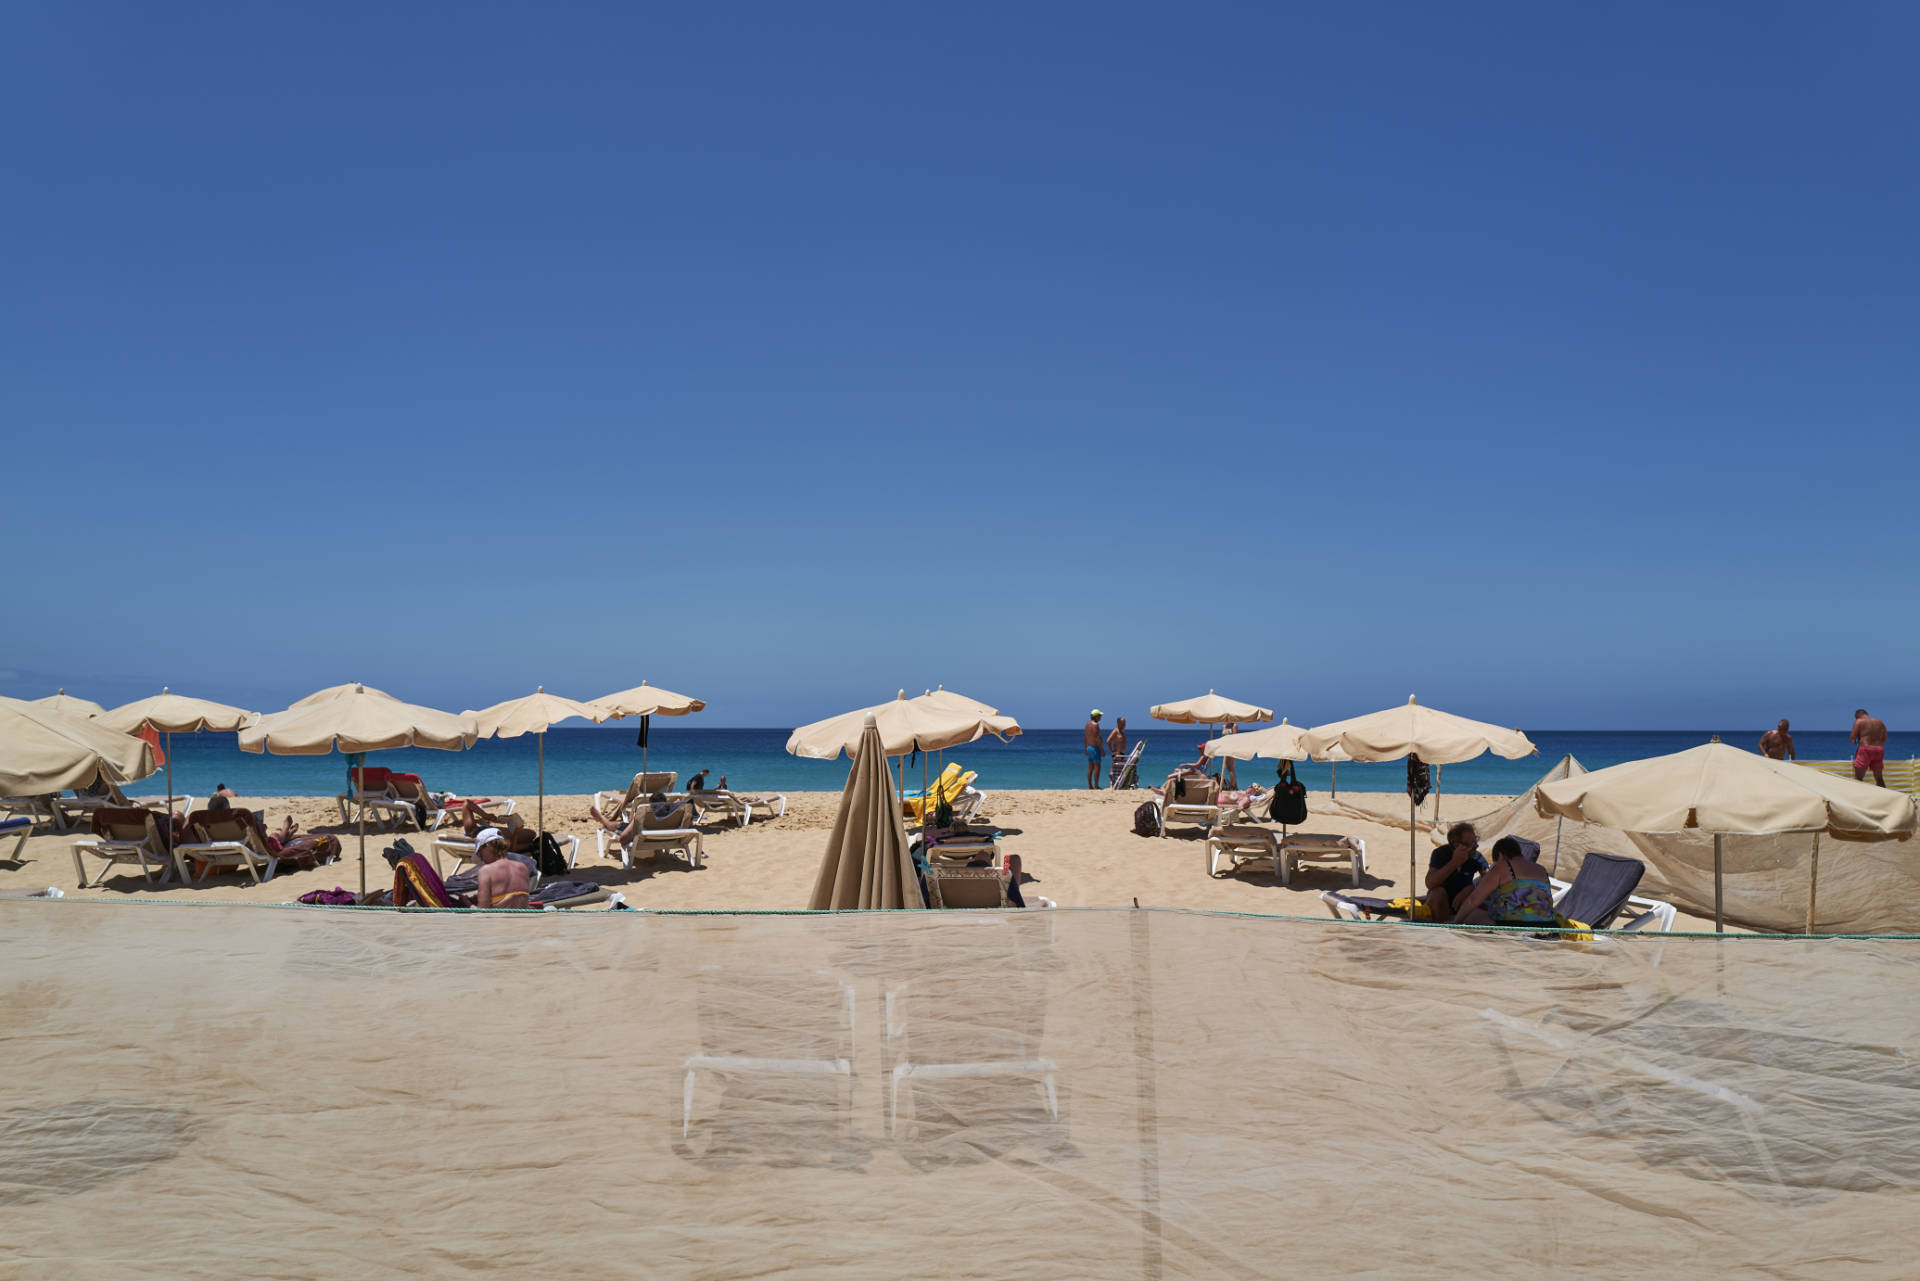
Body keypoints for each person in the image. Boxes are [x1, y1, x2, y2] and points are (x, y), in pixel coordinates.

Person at [1452, 836, 1556, 927]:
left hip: (1514, 926)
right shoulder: (1541, 869)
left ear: (1500, 855)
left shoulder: (1504, 866)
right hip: (1547, 925)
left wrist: (1455, 922)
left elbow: (1472, 900)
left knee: (1472, 914)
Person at [1424, 822, 1487, 921]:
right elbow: (1430, 883)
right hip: (1440, 903)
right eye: (1471, 844)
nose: (1476, 846)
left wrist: (1470, 889)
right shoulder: (1441, 853)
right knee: (1438, 892)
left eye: (1476, 841)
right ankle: (1441, 928)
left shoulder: (1476, 857)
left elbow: (1490, 881)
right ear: (1456, 845)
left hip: (1461, 904)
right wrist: (1454, 863)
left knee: (1480, 900)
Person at [588, 791, 684, 847]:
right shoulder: (673, 815)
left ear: (650, 806)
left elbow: (623, 839)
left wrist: (635, 818)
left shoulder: (645, 815)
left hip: (642, 835)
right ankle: (603, 819)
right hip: (663, 837)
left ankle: (601, 818)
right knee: (620, 824)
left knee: (614, 825)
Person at [473, 829, 533, 909]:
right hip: (522, 918)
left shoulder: (486, 871)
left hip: (500, 919)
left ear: (488, 846)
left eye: (479, 853)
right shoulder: (522, 867)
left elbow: (482, 911)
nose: (481, 858)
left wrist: (466, 903)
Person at [1852, 709, 1889, 785]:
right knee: (1879, 778)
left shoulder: (1859, 721)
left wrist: (1858, 740)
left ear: (1858, 716)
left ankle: (1858, 796)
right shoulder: (1880, 722)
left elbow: (1853, 738)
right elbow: (1885, 739)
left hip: (1865, 749)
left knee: (1858, 779)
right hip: (1879, 749)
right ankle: (1884, 796)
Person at [1084, 710, 1104, 790]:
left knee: (1090, 768)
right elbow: (1097, 738)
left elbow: (1086, 737)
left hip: (1089, 747)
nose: (1100, 717)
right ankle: (1096, 786)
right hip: (1095, 748)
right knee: (1097, 767)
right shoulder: (1095, 725)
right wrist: (1102, 749)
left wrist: (1086, 748)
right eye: (1099, 715)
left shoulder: (1087, 725)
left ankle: (1090, 785)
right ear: (1095, 716)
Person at [1105, 717, 1128, 787]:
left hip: (1122, 754)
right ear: (1118, 723)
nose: (1124, 725)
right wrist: (1112, 751)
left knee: (1121, 770)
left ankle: (1118, 784)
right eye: (1122, 723)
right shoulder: (1115, 731)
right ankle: (1111, 785)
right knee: (1113, 770)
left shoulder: (1122, 732)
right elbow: (1108, 741)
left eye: (1124, 723)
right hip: (1117, 754)